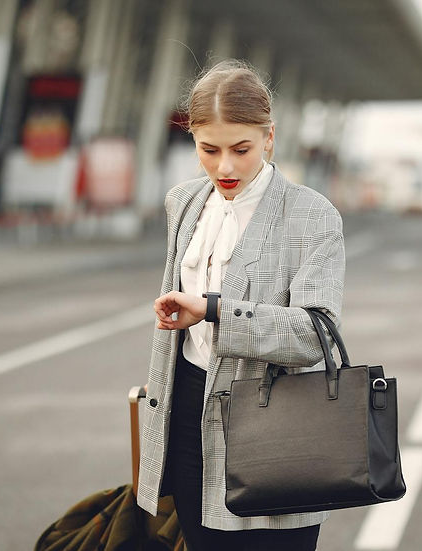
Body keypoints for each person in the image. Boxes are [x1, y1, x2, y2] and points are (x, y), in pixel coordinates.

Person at [136, 59, 345, 551]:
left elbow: (313, 336)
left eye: (241, 149)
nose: (224, 166)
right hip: (186, 416)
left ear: (269, 137)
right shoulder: (183, 202)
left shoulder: (311, 215)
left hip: (274, 428)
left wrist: (214, 309)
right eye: (209, 149)